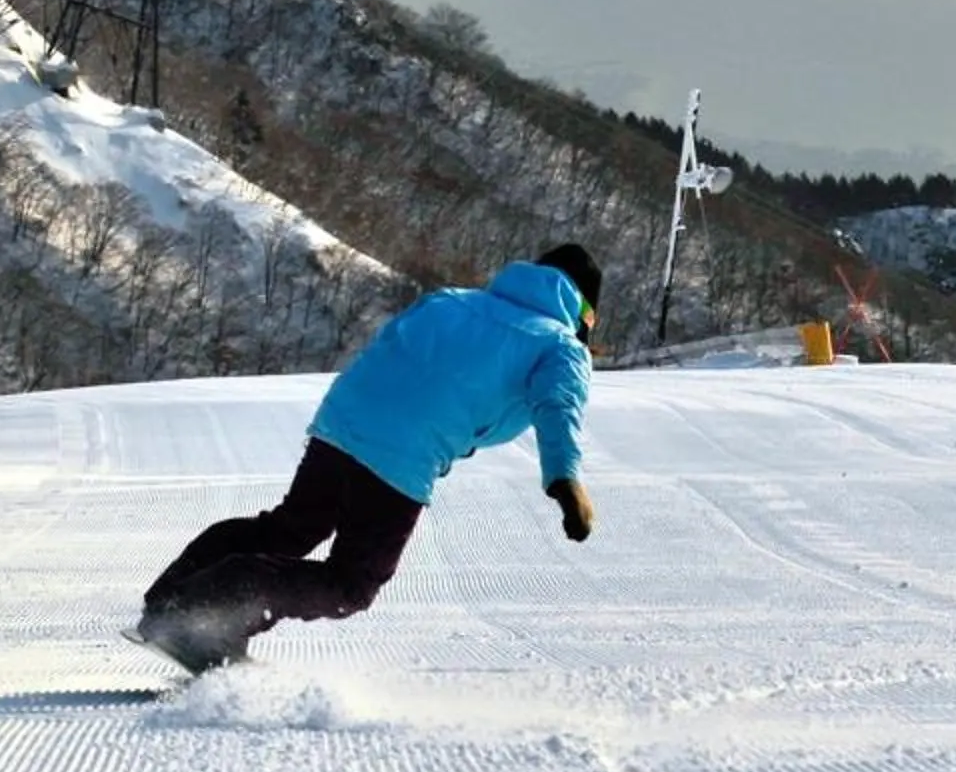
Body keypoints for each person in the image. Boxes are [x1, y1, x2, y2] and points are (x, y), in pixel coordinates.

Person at [131, 241, 604, 673]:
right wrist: (565, 481)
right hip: (403, 455)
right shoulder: (560, 347)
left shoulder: (452, 300)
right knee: (350, 584)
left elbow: (390, 348)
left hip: (342, 423)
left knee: (287, 529)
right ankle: (203, 622)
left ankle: (170, 604)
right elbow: (558, 407)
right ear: (583, 309)